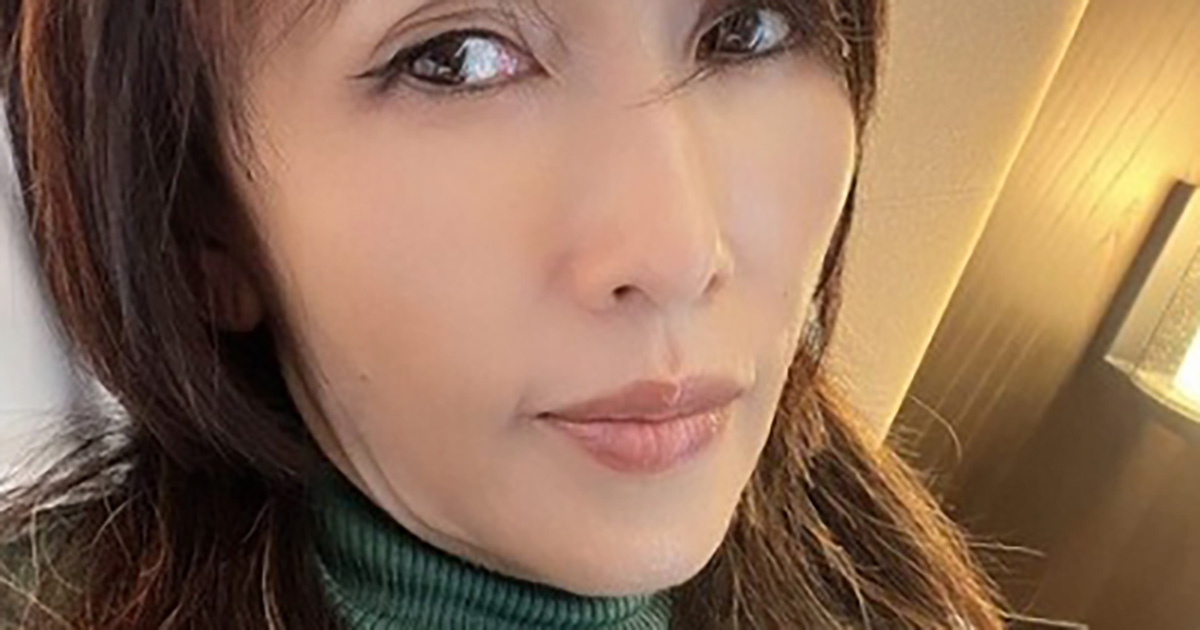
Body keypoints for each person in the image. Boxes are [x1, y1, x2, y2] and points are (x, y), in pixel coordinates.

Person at [0, 0, 1007, 628]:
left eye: (748, 28)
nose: (680, 255)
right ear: (200, 222)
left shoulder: (899, 591)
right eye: (458, 59)